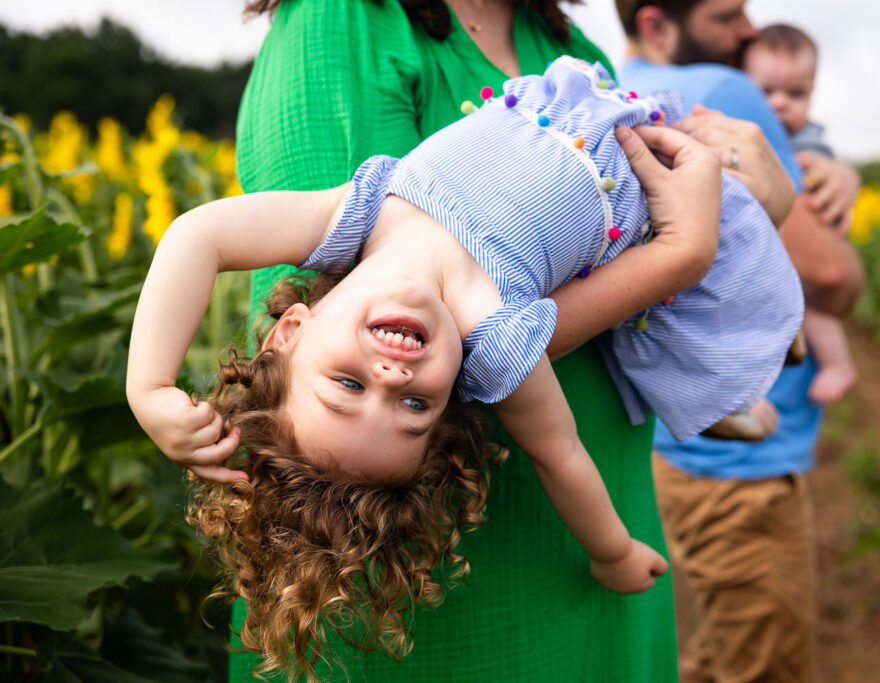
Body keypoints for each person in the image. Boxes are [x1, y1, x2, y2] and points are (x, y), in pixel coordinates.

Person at [127, 58, 805, 680]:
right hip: (638, 188)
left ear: (290, 333)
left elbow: (198, 236)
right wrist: (612, 550)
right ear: (449, 395)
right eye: (415, 409)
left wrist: (150, 386)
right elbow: (560, 454)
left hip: (574, 107)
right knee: (711, 293)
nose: (391, 381)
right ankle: (738, 382)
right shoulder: (495, 333)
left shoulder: (354, 213)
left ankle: (740, 380)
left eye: (347, 386)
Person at [616, 0, 865, 680]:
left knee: (718, 651)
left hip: (674, 439)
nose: (749, 29)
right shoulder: (724, 92)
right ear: (655, 22)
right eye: (728, 14)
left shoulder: (620, 95)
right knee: (766, 665)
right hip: (745, 465)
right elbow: (830, 273)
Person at [743, 23, 857, 405]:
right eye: (765, 91)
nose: (779, 103)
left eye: (796, 94)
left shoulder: (807, 144)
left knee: (816, 314)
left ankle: (838, 365)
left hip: (800, 263)